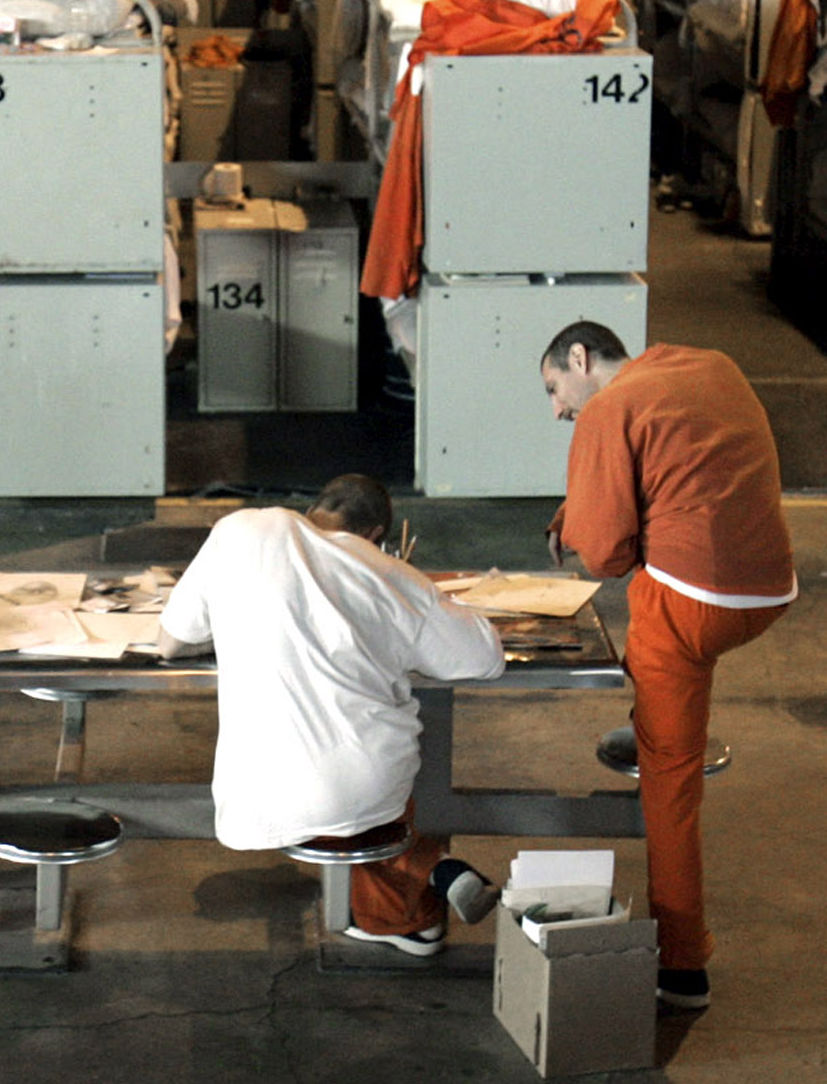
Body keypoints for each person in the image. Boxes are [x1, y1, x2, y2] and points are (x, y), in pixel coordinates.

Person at [539, 322, 796, 1010]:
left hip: (689, 604)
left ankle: (682, 967)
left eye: (554, 389)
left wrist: (584, 516)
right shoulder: (710, 361)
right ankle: (653, 716)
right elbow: (682, 469)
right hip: (767, 589)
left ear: (581, 359)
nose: (558, 410)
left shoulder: (608, 410)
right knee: (672, 683)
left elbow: (605, 555)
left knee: (671, 784)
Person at [157, 474, 506, 956]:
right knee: (367, 791)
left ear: (316, 507)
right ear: (376, 534)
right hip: (369, 786)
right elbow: (484, 658)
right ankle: (415, 904)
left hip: (256, 791)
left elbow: (171, 642)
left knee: (336, 792)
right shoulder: (385, 571)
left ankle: (428, 881)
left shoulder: (239, 531)